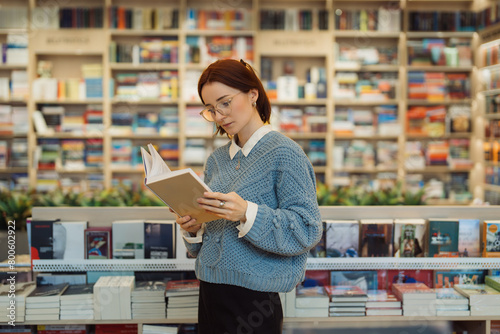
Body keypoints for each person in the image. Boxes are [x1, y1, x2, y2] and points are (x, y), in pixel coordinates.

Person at [173, 58, 323, 334]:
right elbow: (204, 245)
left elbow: (308, 229)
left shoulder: (284, 153)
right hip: (209, 293)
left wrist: (246, 213)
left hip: (254, 302)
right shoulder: (217, 159)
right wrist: (194, 228)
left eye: (225, 102)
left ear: (252, 94)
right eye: (210, 109)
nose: (219, 115)